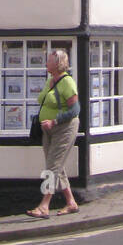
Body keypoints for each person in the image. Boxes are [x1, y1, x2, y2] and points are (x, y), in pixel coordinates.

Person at [27, 48, 80, 218]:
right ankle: (71, 202)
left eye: (49, 60)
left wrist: (54, 121)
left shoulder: (67, 82)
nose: (46, 63)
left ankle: (44, 205)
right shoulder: (50, 80)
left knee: (52, 167)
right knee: (57, 165)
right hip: (47, 130)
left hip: (64, 128)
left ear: (58, 64)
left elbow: (75, 109)